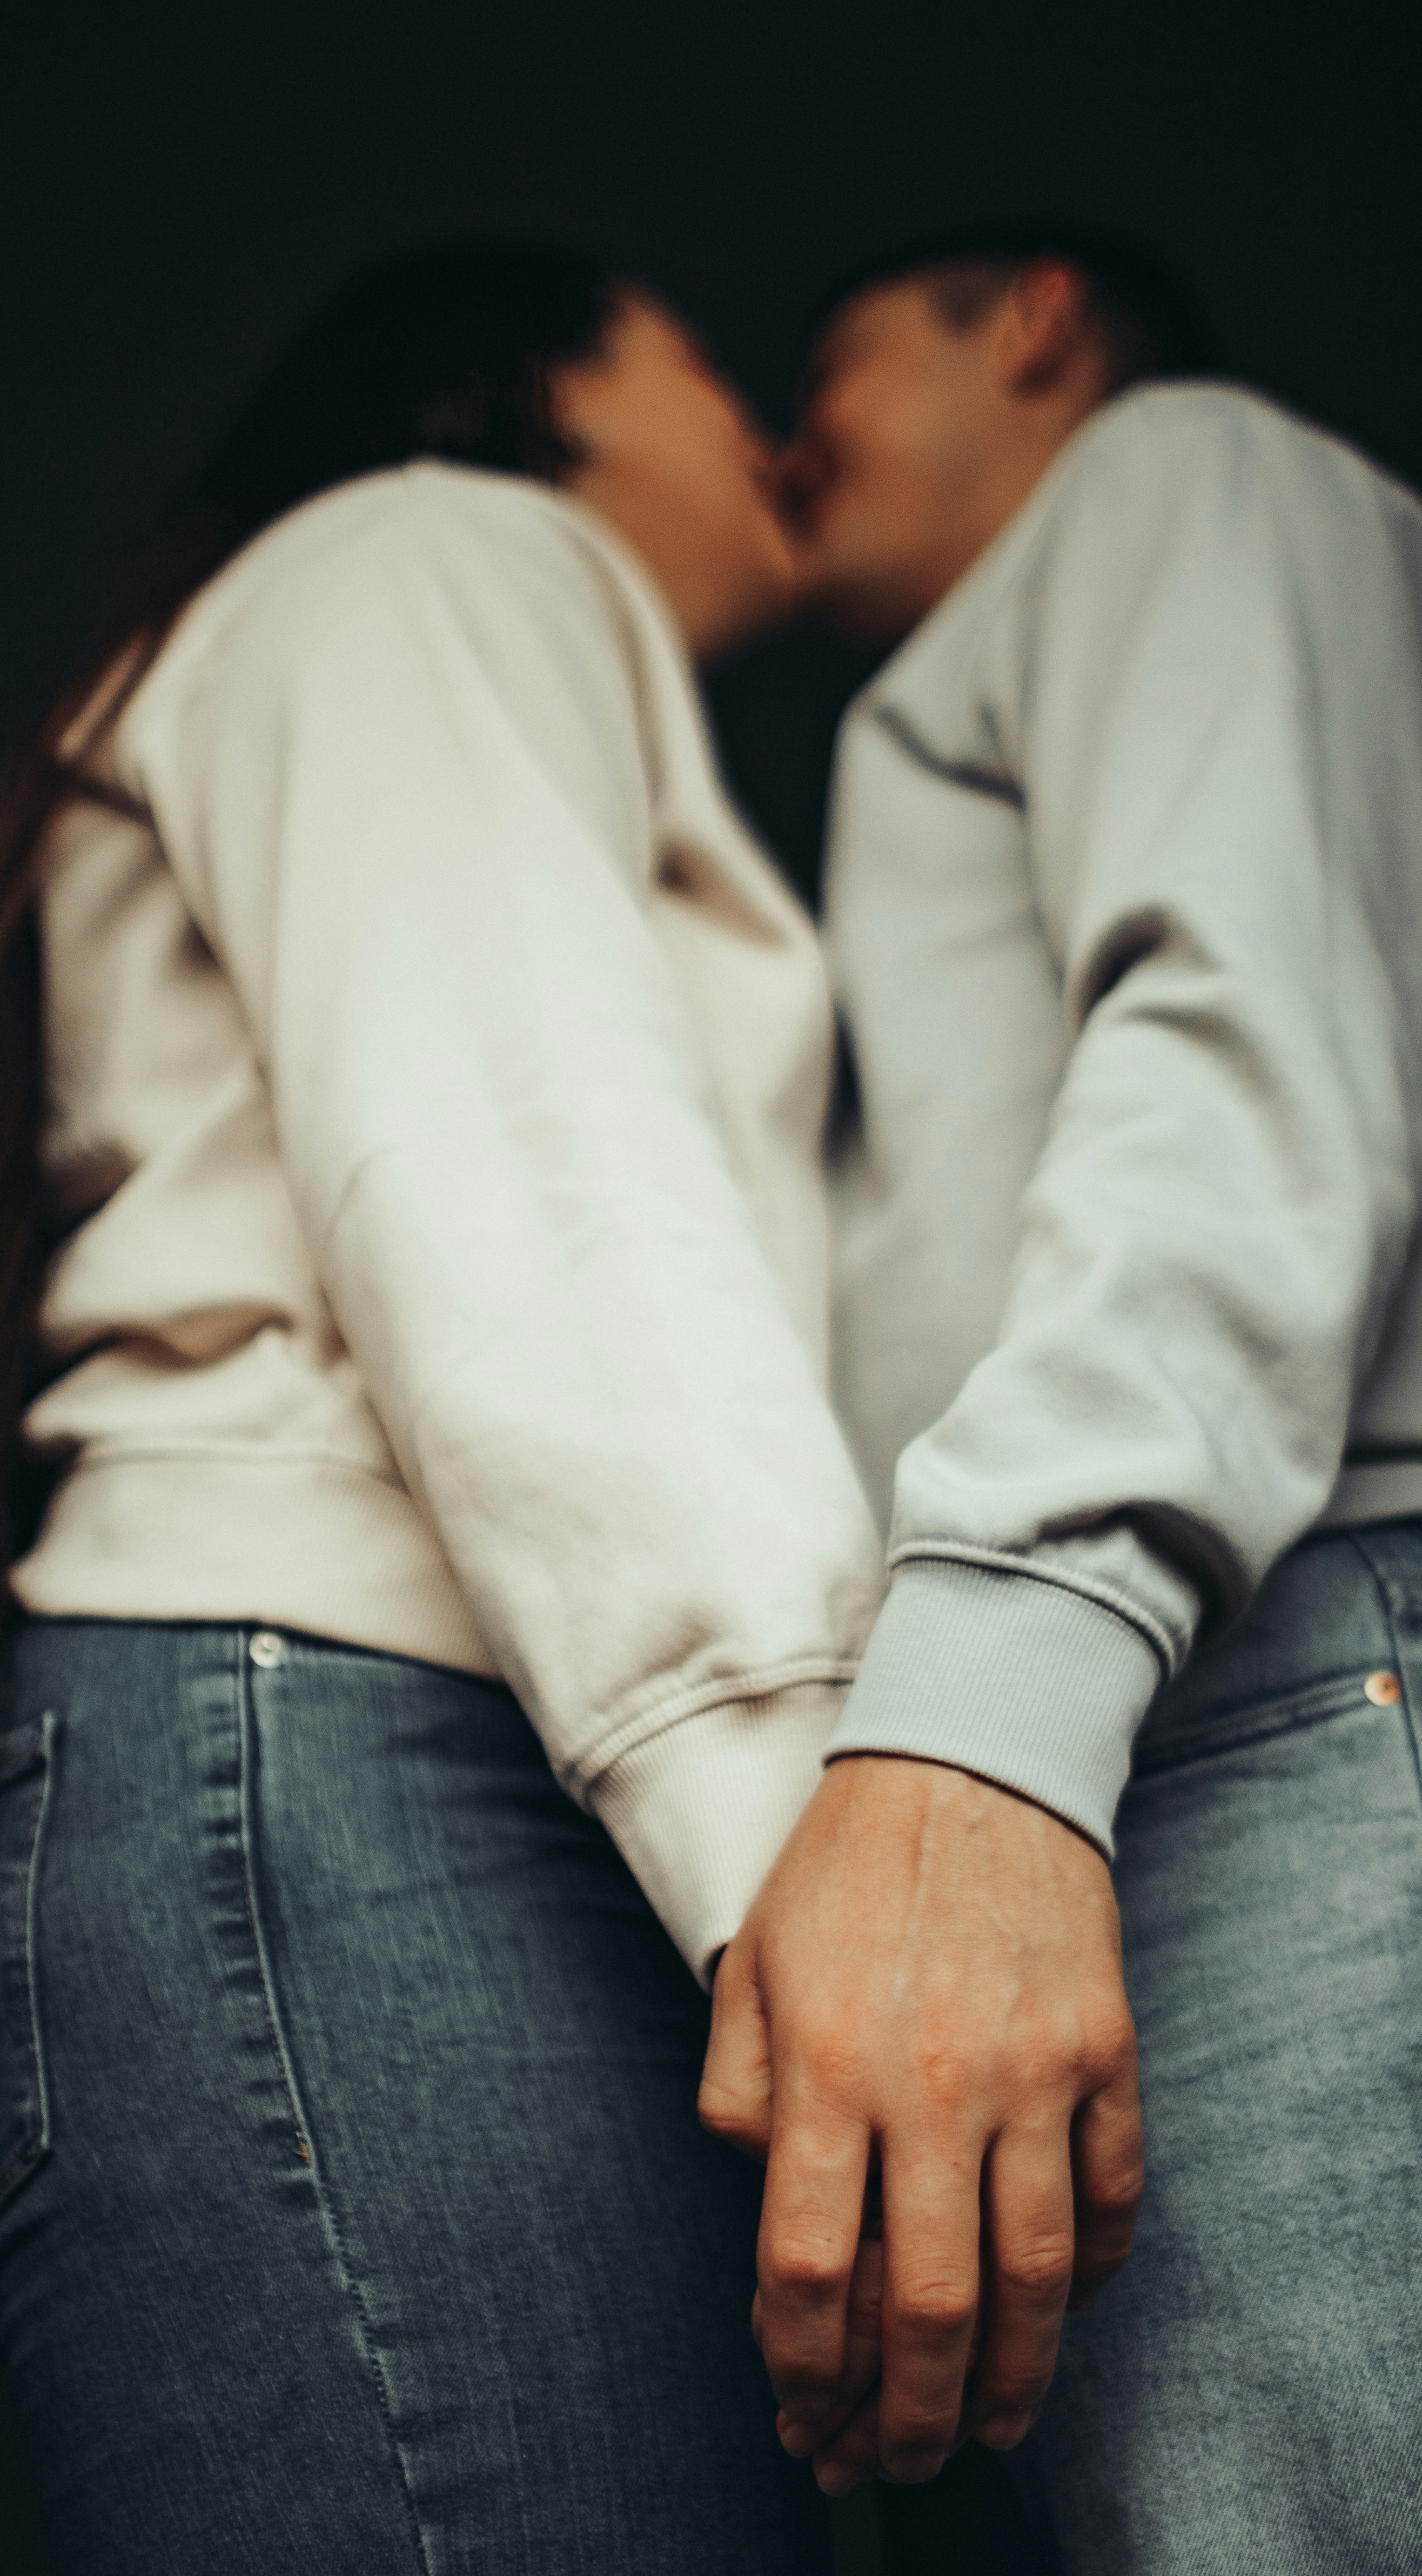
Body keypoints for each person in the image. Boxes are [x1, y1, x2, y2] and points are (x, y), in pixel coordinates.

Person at [700, 224, 1422, 2566]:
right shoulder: (1012, 649)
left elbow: (1239, 1046)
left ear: (1028, 317)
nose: (781, 432)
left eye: (829, 349)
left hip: (1306, 1664)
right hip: (1218, 1697)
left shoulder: (1176, 477)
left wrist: (976, 1705)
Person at [0, 237, 881, 2573]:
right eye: (709, 353)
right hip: (355, 1756)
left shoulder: (396, 605)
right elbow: (526, 1166)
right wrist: (820, 1873)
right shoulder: (435, 548)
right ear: (550, 383)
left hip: (359, 1772)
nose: (766, 411)